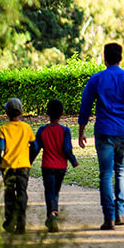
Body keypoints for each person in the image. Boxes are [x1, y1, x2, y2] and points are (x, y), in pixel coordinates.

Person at [78, 42, 124, 231]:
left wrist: (81, 131)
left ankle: (108, 216)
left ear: (105, 57)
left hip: (104, 131)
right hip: (123, 132)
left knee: (106, 173)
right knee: (122, 171)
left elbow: (85, 107)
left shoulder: (96, 79)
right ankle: (119, 212)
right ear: (121, 57)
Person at [30, 98, 79, 233]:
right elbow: (67, 149)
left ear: (47, 113)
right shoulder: (65, 131)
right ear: (62, 113)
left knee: (49, 191)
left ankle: (51, 214)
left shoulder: (42, 130)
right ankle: (53, 214)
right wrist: (73, 160)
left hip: (47, 166)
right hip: (61, 167)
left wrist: (28, 162)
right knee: (55, 191)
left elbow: (35, 148)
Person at [0, 98, 34, 234]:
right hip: (23, 165)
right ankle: (21, 223)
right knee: (22, 192)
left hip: (8, 166)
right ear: (21, 112)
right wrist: (29, 158)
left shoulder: (3, 129)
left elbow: (0, 147)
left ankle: (10, 222)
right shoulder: (26, 128)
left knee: (9, 193)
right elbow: (35, 145)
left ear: (6, 113)